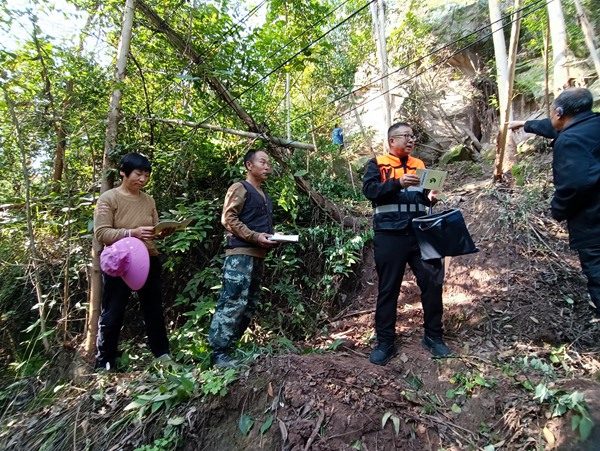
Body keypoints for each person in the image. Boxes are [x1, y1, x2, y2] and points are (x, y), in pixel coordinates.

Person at [362, 122, 450, 365]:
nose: (411, 140)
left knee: (432, 282)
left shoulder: (419, 165)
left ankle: (433, 336)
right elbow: (370, 191)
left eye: (413, 136)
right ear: (392, 141)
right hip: (389, 234)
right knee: (389, 288)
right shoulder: (377, 164)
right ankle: (385, 342)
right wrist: (397, 183)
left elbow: (425, 196)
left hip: (420, 232)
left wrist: (431, 195)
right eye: (406, 136)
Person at [509, 87, 600, 319]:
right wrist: (525, 124)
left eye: (551, 112)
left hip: (593, 224)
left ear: (558, 112)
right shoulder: (590, 125)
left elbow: (575, 185)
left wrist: (558, 209)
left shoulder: (569, 140)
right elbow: (554, 127)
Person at [94, 152, 174, 371]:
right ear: (123, 172)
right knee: (113, 312)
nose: (143, 179)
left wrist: (161, 232)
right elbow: (102, 233)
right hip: (120, 262)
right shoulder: (108, 198)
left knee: (154, 309)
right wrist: (132, 233)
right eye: (138, 174)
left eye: (147, 175)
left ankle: (162, 355)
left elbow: (154, 228)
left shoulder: (149, 200)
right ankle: (105, 363)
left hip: (149, 259)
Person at [208, 149, 275, 368]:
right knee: (233, 300)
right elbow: (228, 218)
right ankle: (218, 354)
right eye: (262, 162)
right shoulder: (239, 188)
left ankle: (230, 351)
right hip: (240, 256)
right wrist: (255, 236)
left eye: (268, 163)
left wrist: (272, 239)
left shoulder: (264, 195)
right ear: (249, 165)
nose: (267, 166)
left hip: (257, 255)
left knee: (250, 304)